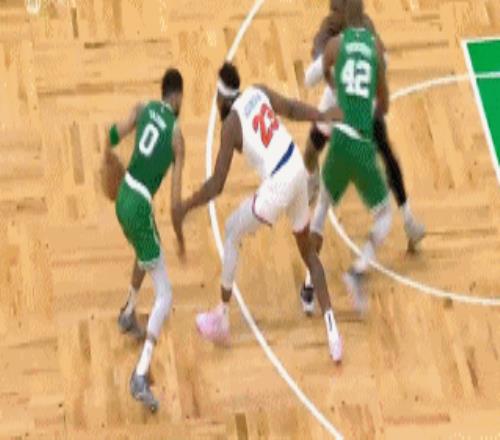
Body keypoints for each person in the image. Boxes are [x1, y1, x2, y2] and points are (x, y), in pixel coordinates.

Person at [176, 62, 344, 362]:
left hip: (279, 183)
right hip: (296, 167)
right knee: (309, 253)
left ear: (221, 98)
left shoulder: (231, 125)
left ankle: (221, 317)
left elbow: (217, 184)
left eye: (216, 98)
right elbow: (291, 108)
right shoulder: (257, 91)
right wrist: (321, 116)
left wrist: (187, 205)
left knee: (231, 231)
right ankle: (333, 333)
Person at [302, 0, 425, 250]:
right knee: (312, 150)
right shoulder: (328, 31)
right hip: (341, 100)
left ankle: (409, 219)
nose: (332, 12)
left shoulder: (362, 28)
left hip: (357, 103)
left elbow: (314, 74)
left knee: (386, 156)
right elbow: (320, 66)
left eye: (336, 9)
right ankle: (313, 181)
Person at [103, 68, 185, 412]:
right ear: (177, 96)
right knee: (165, 293)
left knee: (144, 251)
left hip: (124, 195)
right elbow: (176, 202)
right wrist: (180, 237)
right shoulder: (177, 137)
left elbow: (111, 134)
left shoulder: (142, 108)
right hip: (140, 206)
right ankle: (140, 374)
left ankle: (128, 313)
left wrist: (106, 158)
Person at [306, 0, 393, 313]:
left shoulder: (335, 43)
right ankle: (357, 270)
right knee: (384, 215)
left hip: (340, 135)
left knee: (321, 210)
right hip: (358, 136)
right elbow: (384, 104)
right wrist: (365, 100)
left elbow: (309, 77)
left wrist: (333, 79)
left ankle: (309, 284)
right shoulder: (374, 45)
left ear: (344, 12)